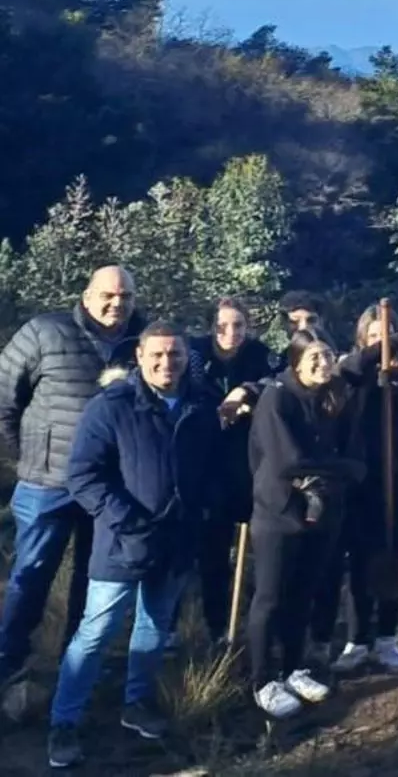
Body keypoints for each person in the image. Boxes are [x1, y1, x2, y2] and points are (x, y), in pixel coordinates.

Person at [45, 323, 221, 769]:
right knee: (96, 633)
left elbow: (211, 466)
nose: (166, 363)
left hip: (177, 540)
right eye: (156, 355)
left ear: (186, 358)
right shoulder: (112, 405)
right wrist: (127, 521)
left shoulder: (201, 405)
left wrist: (204, 508)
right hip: (123, 542)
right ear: (139, 357)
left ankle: (136, 703)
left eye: (175, 355)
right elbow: (83, 475)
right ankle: (63, 722)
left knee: (154, 626)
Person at [0, 265, 146, 688]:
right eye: (108, 295)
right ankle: (9, 657)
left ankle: (76, 663)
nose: (117, 303)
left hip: (110, 487)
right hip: (47, 484)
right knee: (31, 573)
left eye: (126, 296)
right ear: (86, 296)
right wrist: (29, 455)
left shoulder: (144, 342)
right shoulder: (44, 332)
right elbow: (4, 399)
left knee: (93, 578)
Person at [245, 329, 363, 718]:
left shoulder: (333, 396)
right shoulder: (277, 398)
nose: (323, 363)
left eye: (328, 354)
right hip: (279, 512)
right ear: (295, 362)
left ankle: (293, 668)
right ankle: (262, 680)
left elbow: (351, 453)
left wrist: (338, 471)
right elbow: (288, 461)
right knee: (270, 597)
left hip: (323, 511)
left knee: (304, 593)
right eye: (314, 356)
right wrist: (341, 468)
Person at [321, 307, 398, 675]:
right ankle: (357, 639)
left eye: (388, 336)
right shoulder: (352, 372)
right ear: (364, 340)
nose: (382, 344)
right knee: (360, 559)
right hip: (360, 481)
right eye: (375, 337)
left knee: (392, 556)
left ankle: (387, 637)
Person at [186, 298, 278, 647]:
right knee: (211, 553)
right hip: (207, 466)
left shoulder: (259, 354)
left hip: (250, 464)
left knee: (264, 553)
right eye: (222, 325)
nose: (231, 332)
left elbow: (280, 380)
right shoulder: (194, 354)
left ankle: (260, 626)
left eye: (238, 325)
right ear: (211, 326)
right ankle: (215, 627)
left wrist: (247, 392)